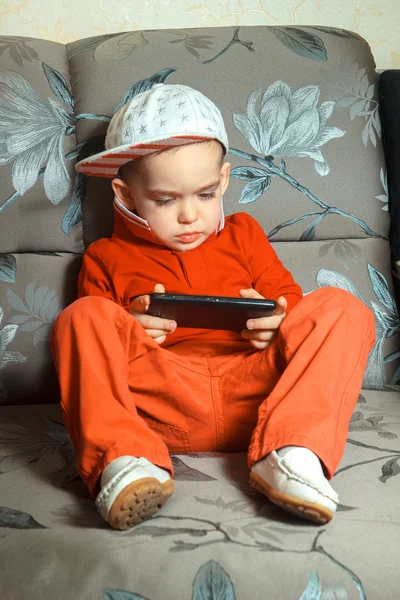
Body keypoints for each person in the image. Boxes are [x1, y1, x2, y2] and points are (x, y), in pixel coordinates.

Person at [50, 83, 375, 531]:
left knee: (342, 307)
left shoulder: (244, 234)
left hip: (257, 396)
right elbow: (95, 349)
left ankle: (292, 452)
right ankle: (125, 460)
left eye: (205, 195)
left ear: (223, 180)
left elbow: (297, 310)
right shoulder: (104, 256)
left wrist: (276, 322)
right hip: (164, 403)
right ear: (125, 197)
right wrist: (131, 329)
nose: (190, 216)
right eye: (166, 200)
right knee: (81, 318)